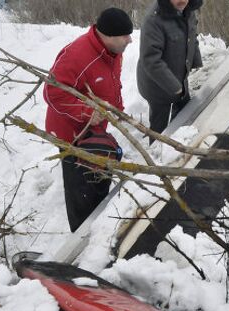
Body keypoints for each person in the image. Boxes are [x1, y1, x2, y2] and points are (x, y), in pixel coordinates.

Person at [44, 7, 132, 232]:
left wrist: (118, 109)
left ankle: (98, 227)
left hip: (94, 130)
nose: (130, 40)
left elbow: (111, 83)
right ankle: (81, 235)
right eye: (125, 35)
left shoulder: (113, 53)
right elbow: (52, 93)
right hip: (71, 134)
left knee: (99, 178)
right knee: (81, 190)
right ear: (108, 36)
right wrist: (85, 112)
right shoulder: (77, 55)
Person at [137, 0, 203, 140]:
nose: (183, 0)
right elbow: (151, 60)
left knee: (184, 113)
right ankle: (156, 152)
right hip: (157, 85)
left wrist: (195, 61)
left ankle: (177, 142)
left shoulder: (188, 10)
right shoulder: (154, 20)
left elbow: (192, 37)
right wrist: (176, 87)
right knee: (159, 126)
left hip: (179, 77)